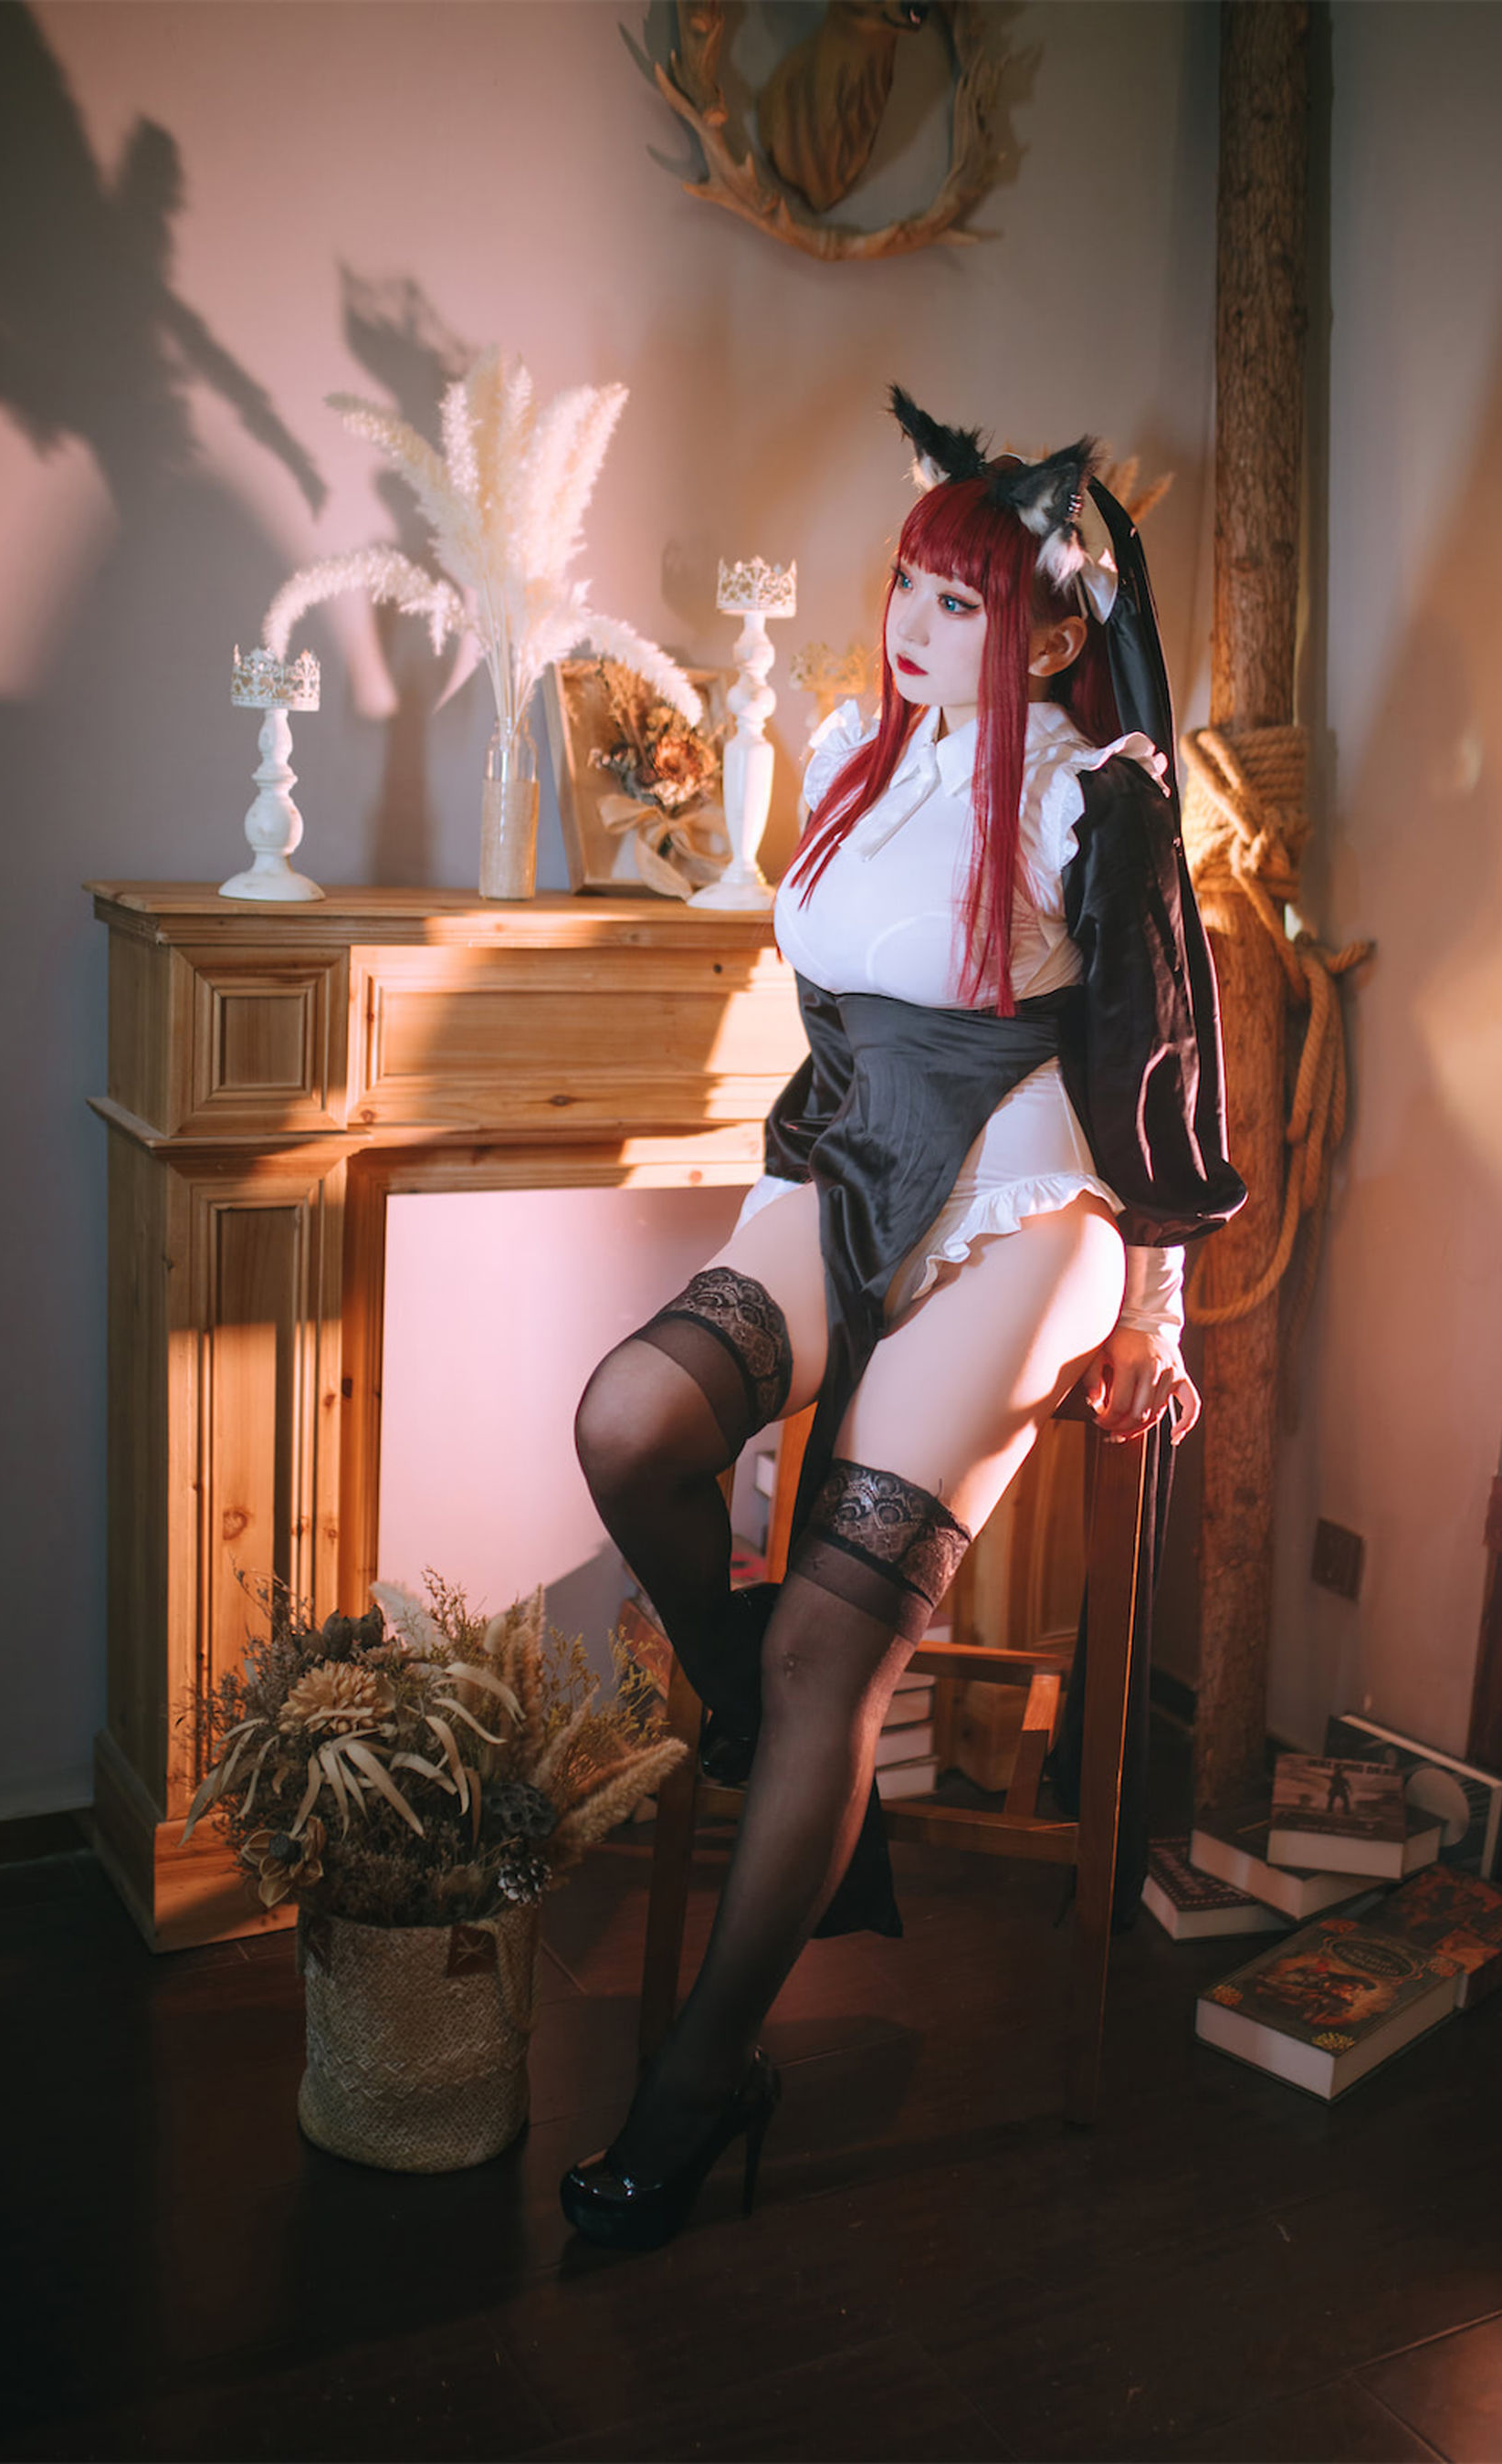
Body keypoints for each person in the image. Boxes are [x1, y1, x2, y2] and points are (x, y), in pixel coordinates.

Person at [561, 389, 1245, 2249]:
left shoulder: (1101, 799)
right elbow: (834, 1021)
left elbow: (1159, 1064)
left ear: (1053, 634)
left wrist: (1157, 1310)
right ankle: (747, 1699)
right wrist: (809, 1185)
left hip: (1028, 1207)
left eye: (959, 603)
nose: (913, 626)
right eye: (908, 587)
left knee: (829, 1664)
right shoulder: (861, 749)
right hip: (855, 1172)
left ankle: (702, 2080)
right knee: (629, 1422)